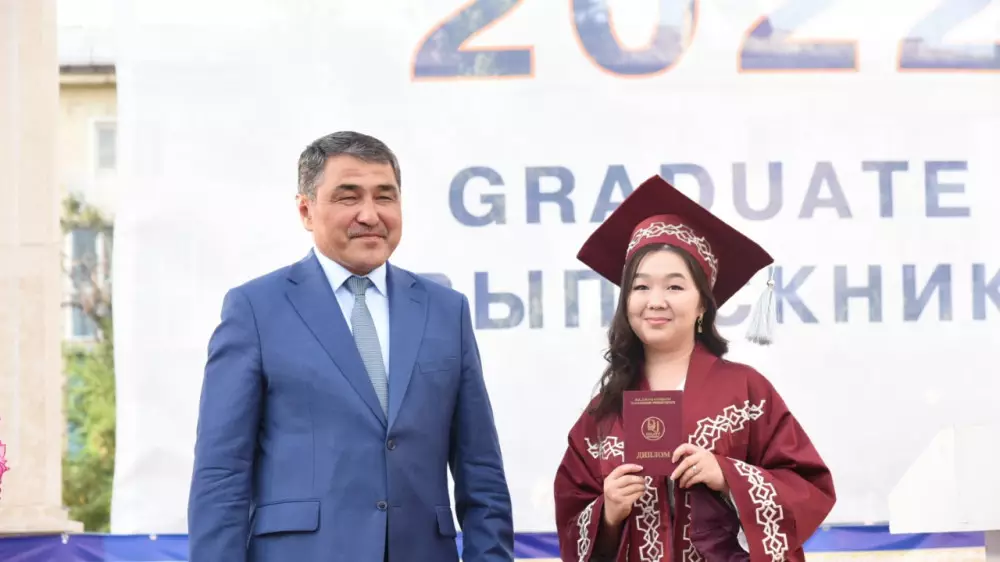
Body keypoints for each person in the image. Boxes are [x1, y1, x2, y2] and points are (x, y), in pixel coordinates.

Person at [187, 131, 514, 562]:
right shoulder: (255, 309)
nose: (370, 214)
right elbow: (221, 473)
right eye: (348, 197)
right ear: (306, 210)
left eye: (385, 196)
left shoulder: (446, 311)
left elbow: (481, 470)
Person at [553, 175, 836, 561]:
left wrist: (727, 477)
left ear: (703, 303)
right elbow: (573, 518)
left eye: (674, 287)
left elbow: (808, 487)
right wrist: (609, 512)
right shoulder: (602, 414)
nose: (655, 301)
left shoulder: (746, 393)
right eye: (640, 287)